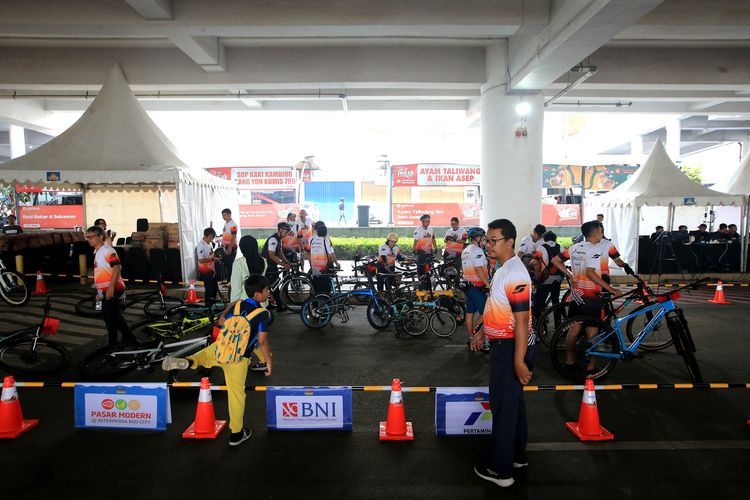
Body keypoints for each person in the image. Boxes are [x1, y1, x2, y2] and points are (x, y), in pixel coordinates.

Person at [162, 274, 272, 447]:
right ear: (258, 294)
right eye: (266, 290)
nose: (268, 293)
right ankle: (236, 434)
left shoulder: (235, 305)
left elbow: (221, 323)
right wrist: (268, 361)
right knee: (236, 395)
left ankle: (189, 362)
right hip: (238, 358)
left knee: (204, 356)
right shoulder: (262, 314)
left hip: (221, 347)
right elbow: (261, 341)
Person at [470, 219, 534, 488]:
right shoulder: (504, 268)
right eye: (487, 240)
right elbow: (498, 306)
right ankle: (516, 455)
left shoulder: (516, 274)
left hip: (511, 347)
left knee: (504, 408)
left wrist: (518, 361)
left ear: (510, 241)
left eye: (493, 240)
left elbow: (521, 321)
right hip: (505, 342)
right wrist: (483, 330)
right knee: (513, 405)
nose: (488, 245)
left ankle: (501, 471)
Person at [554, 221, 622, 375]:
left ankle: (569, 362)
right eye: (600, 231)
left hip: (576, 295)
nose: (602, 234)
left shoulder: (575, 247)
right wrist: (611, 289)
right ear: (595, 233)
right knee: (593, 332)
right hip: (592, 297)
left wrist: (569, 274)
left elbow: (555, 260)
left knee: (574, 329)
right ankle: (591, 367)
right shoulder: (595, 250)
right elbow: (591, 272)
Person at [86, 225, 137, 346]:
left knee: (112, 317)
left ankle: (125, 340)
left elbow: (117, 267)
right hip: (106, 289)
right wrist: (99, 292)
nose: (88, 239)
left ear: (100, 236)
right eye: (87, 237)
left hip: (114, 288)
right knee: (111, 317)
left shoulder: (107, 250)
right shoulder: (98, 252)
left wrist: (111, 287)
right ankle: (118, 340)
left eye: (91, 237)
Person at [230, 235, 270, 373]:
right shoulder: (263, 261)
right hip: (260, 307)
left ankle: (263, 360)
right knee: (256, 336)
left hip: (244, 308)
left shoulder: (239, 263)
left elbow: (236, 289)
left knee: (244, 337)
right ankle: (262, 360)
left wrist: (232, 307)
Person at [461, 227, 490, 344]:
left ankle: (471, 337)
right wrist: (488, 284)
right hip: (476, 287)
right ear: (477, 237)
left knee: (470, 313)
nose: (483, 240)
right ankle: (477, 337)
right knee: (486, 313)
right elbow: (478, 269)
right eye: (482, 238)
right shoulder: (477, 251)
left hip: (467, 286)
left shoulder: (465, 250)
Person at [532, 231, 565, 323]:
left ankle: (538, 322)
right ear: (555, 239)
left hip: (546, 278)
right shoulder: (560, 247)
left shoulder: (541, 247)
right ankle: (558, 324)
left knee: (540, 300)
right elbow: (563, 261)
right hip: (558, 277)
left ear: (544, 239)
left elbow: (535, 262)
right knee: (556, 300)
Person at [261, 222, 292, 311]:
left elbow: (280, 253)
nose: (286, 234)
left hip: (271, 264)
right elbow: (271, 255)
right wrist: (284, 265)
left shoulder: (279, 239)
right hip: (268, 265)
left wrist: (287, 262)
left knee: (272, 285)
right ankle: (278, 306)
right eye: (285, 232)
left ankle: (270, 304)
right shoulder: (274, 239)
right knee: (273, 285)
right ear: (280, 230)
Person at [309, 223, 340, 294]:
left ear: (317, 231)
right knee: (325, 290)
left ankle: (316, 303)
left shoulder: (311, 240)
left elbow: (306, 251)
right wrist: (336, 263)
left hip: (315, 270)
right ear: (326, 233)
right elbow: (331, 254)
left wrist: (310, 260)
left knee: (317, 290)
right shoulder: (325, 240)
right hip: (325, 270)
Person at [197, 227, 220, 302]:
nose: (211, 240)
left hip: (211, 270)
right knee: (209, 290)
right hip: (205, 272)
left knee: (214, 289)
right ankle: (208, 308)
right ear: (205, 236)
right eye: (210, 238)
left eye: (212, 238)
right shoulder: (201, 245)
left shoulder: (208, 244)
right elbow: (200, 260)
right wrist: (212, 259)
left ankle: (213, 305)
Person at [413, 214, 437, 281]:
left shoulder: (431, 229)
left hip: (429, 252)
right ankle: (420, 282)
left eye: (429, 221)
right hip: (420, 252)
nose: (428, 222)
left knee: (430, 268)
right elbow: (415, 241)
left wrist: (436, 247)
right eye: (426, 221)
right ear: (422, 221)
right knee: (420, 269)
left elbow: (433, 239)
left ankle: (430, 283)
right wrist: (414, 249)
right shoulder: (418, 229)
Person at [220, 208, 239, 280]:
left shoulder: (233, 224)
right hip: (226, 246)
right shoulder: (226, 223)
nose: (223, 217)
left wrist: (230, 247)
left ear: (229, 214)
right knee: (227, 264)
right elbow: (225, 234)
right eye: (222, 215)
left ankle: (231, 280)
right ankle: (228, 279)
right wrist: (222, 242)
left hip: (232, 246)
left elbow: (234, 236)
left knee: (230, 264)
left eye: (225, 215)